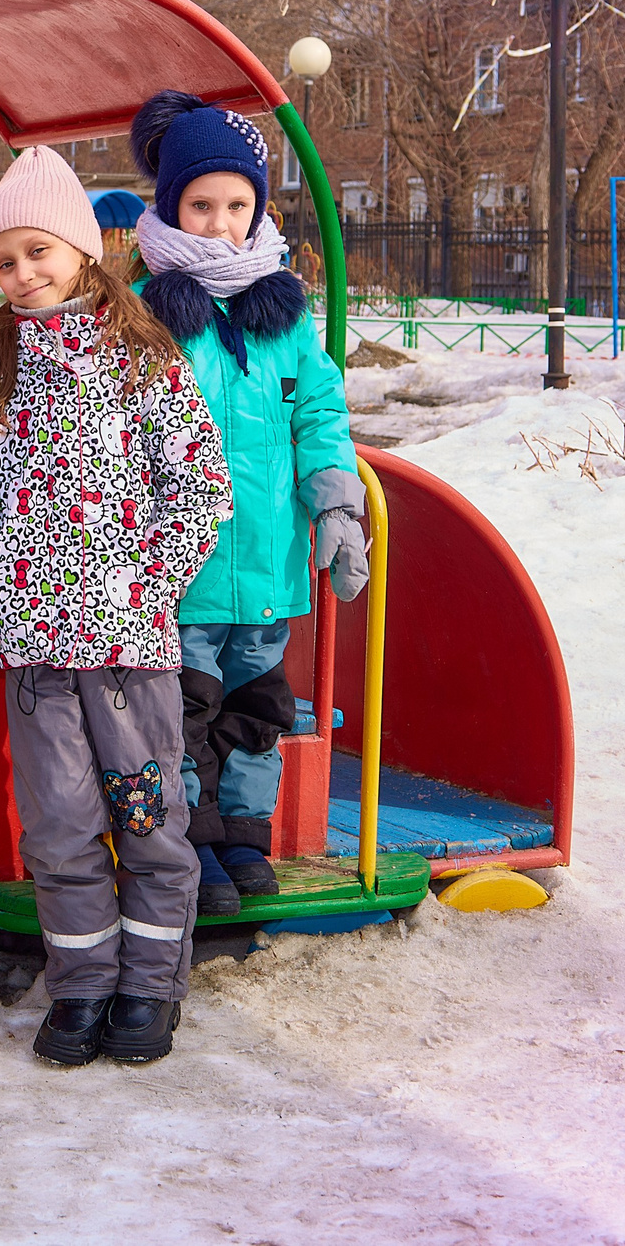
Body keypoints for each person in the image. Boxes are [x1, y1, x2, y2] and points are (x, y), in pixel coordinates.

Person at [0, 144, 231, 1067]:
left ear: (81, 249)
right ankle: (80, 986)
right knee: (61, 828)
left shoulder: (143, 361)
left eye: (38, 251)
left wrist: (146, 586)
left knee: (146, 821)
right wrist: (3, 589)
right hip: (37, 661)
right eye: (5, 261)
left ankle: (150, 986)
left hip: (129, 656)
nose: (23, 273)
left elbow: (200, 486)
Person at [128, 93, 368, 918]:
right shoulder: (148, 311)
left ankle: (243, 834)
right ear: (171, 206)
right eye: (202, 205)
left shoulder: (284, 314)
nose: (222, 224)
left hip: (268, 557)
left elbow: (319, 414)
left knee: (258, 709)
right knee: (184, 708)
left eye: (238, 205)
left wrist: (335, 507)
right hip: (184, 565)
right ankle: (191, 838)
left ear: (261, 210)